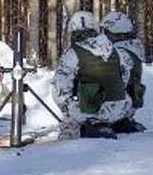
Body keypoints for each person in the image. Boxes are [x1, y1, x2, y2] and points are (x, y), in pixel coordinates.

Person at [51, 11, 133, 139]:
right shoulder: (113, 49)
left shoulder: (73, 53)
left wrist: (68, 107)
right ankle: (117, 123)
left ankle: (83, 128)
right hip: (121, 108)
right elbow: (125, 75)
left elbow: (60, 87)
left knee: (68, 121)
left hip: (90, 112)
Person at [101, 11, 147, 133]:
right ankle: (120, 122)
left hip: (116, 105)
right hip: (128, 104)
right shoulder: (132, 48)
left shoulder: (119, 53)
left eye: (106, 32)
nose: (104, 36)